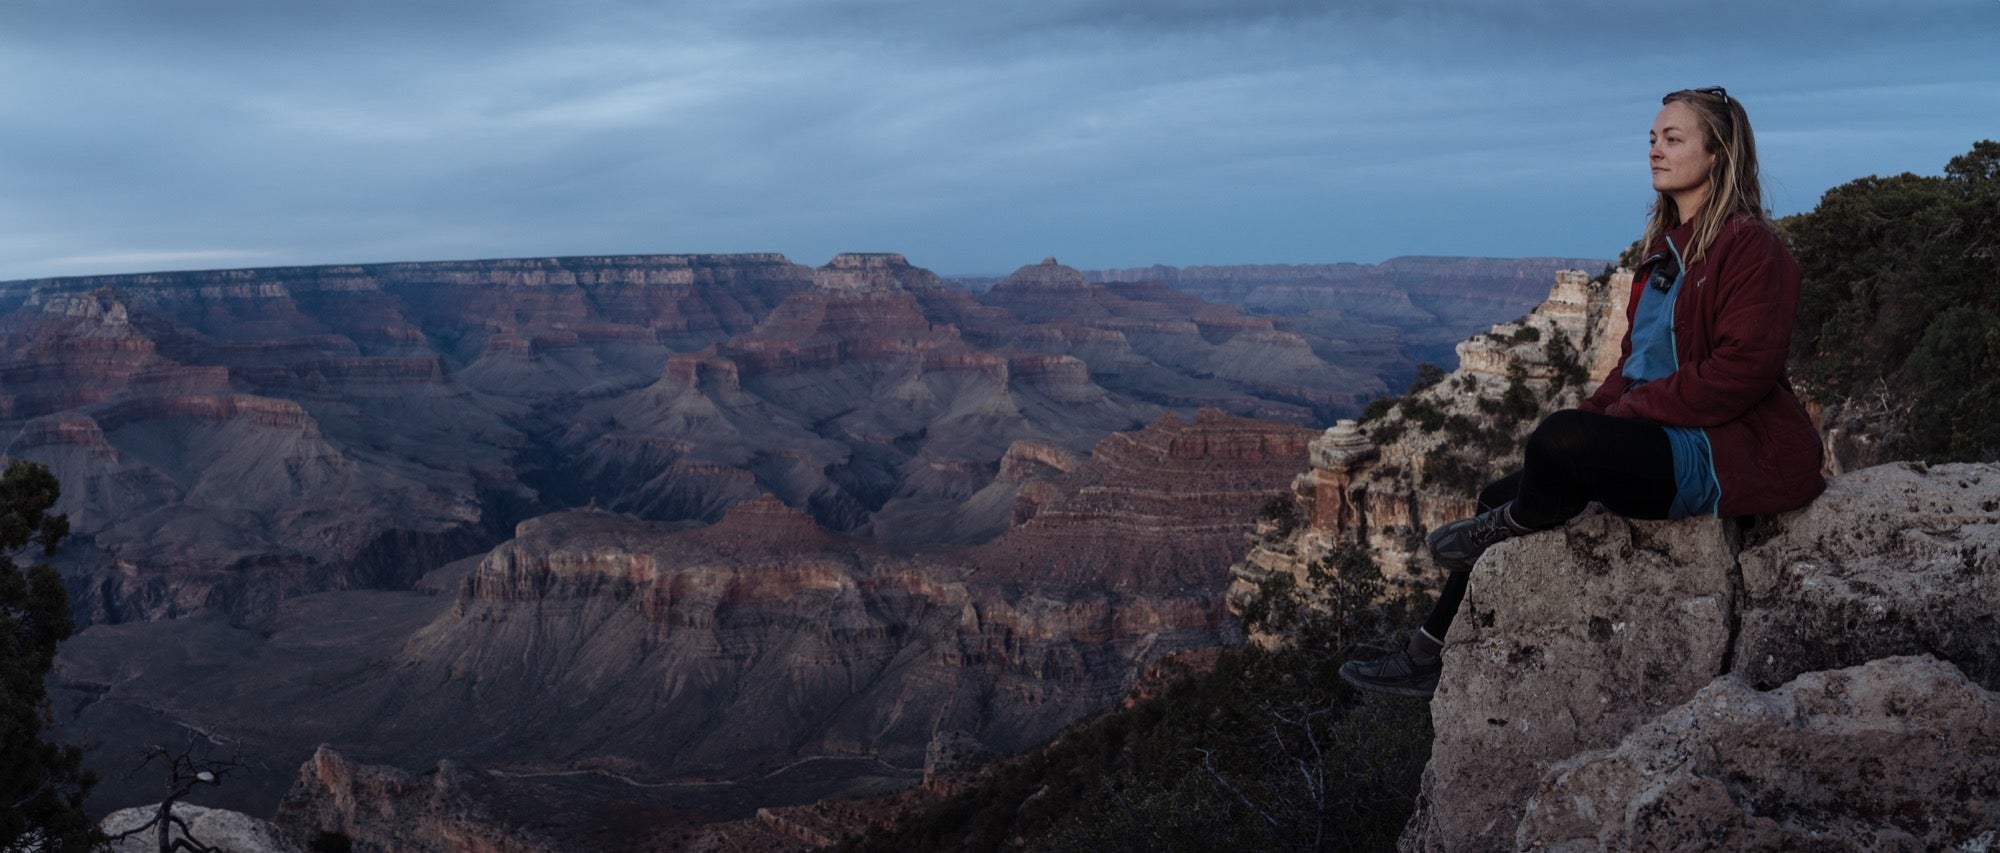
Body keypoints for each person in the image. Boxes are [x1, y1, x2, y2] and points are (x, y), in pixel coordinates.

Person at [1339, 87, 1826, 698]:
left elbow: (1744, 371)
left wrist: (1621, 415)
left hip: (1713, 451)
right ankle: (1425, 655)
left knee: (1557, 442)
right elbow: (1632, 366)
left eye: (1673, 139)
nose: (1655, 150)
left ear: (1719, 153)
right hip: (1658, 434)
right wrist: (1603, 411)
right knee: (1501, 489)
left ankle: (1523, 518)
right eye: (1652, 138)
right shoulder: (1664, 252)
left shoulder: (1749, 245)